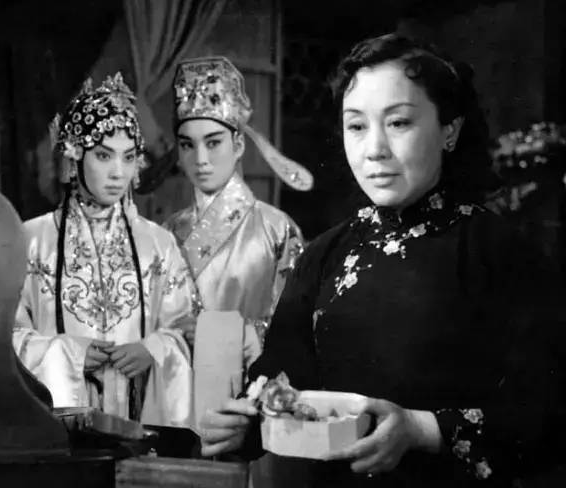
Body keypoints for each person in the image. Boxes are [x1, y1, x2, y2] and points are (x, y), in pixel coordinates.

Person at [197, 34, 560, 487]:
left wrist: (421, 429)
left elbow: (547, 411)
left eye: (399, 122)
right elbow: (281, 382)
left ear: (449, 130)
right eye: (356, 126)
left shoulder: (503, 252)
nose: (374, 149)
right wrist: (242, 424)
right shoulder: (323, 256)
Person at [13, 73, 197, 428]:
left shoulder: (159, 244)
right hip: (58, 422)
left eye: (128, 158)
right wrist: (67, 354)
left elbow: (182, 329)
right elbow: (6, 337)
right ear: (74, 157)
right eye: (103, 155)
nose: (118, 172)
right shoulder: (32, 240)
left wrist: (153, 350)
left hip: (140, 417)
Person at [164, 56, 311, 367]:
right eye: (187, 145)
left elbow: (296, 328)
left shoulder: (276, 229)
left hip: (248, 381)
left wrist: (222, 334)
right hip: (174, 384)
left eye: (213, 143)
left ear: (239, 144)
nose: (200, 159)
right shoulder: (167, 232)